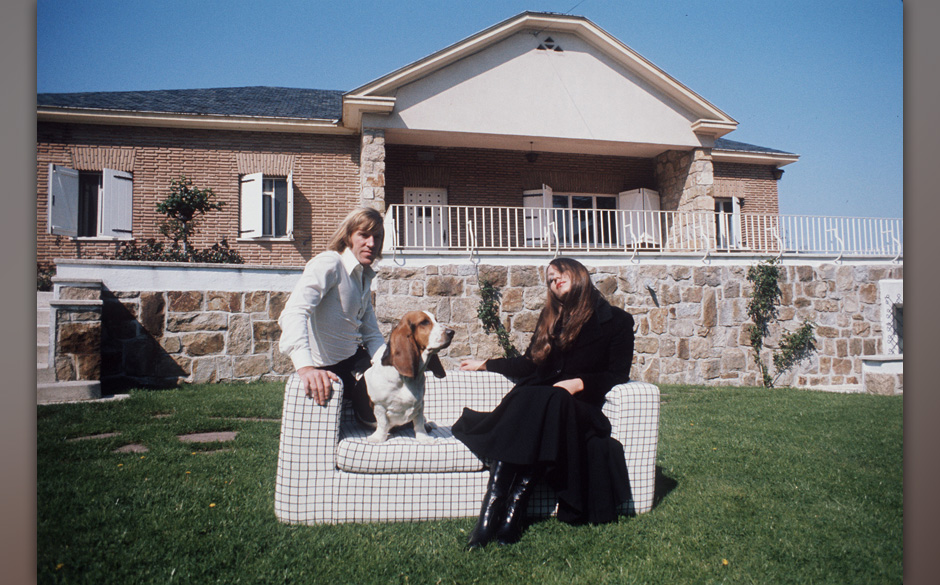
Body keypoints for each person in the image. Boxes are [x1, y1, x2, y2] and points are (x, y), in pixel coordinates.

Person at [453, 257, 635, 548]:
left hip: (581, 410)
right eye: (550, 279)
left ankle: (514, 506)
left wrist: (579, 384)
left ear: (579, 274)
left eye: (560, 273)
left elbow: (618, 373)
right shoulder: (551, 319)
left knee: (550, 397)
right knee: (530, 393)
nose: (555, 280)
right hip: (545, 404)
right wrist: (486, 363)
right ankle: (496, 504)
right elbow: (529, 365)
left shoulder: (616, 320)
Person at [278, 207, 386, 424]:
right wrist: (306, 368)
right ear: (348, 236)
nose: (371, 244)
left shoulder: (364, 276)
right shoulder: (330, 263)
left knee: (396, 405)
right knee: (373, 421)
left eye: (377, 237)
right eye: (364, 235)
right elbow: (294, 311)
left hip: (355, 361)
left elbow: (371, 333)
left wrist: (389, 367)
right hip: (326, 367)